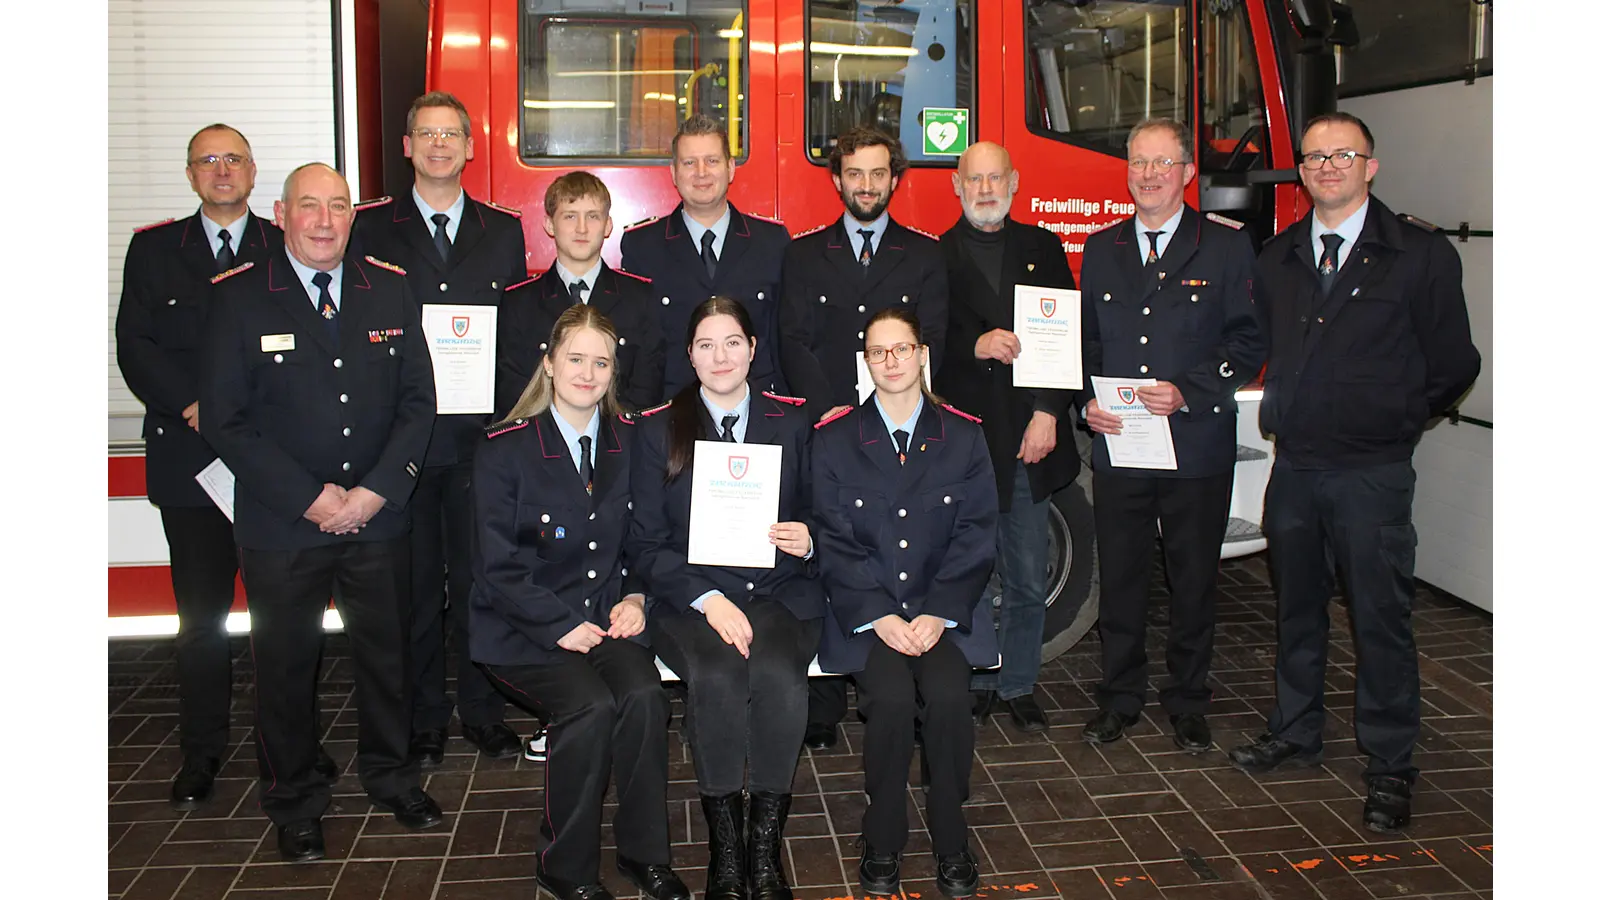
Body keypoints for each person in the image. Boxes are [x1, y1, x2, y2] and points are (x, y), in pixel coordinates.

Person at [1227, 113, 1480, 833]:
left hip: (1372, 471)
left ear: (1371, 166)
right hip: (1297, 468)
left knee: (1381, 622)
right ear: (1301, 172)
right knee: (1296, 611)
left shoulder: (1419, 256)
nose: (1327, 166)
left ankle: (1392, 764)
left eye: (1343, 154)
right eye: (1314, 157)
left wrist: (1397, 419)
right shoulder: (1276, 258)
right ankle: (1296, 729)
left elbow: (1455, 363)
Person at [201, 162, 442, 862]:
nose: (325, 221)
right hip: (283, 525)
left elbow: (417, 402)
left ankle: (392, 777)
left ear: (353, 215)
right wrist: (310, 498)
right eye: (310, 206)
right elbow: (225, 419)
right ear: (281, 213)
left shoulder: (390, 290)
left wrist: (374, 491)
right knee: (283, 666)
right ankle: (295, 799)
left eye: (338, 206)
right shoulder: (241, 298)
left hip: (377, 516)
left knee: (387, 658)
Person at [470, 304, 688, 900]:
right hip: (523, 630)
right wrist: (559, 624)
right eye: (575, 359)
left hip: (604, 619)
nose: (588, 373)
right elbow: (497, 568)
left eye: (601, 362)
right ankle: (564, 865)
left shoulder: (628, 442)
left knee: (644, 697)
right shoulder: (505, 448)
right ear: (548, 363)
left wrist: (639, 597)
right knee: (589, 708)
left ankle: (646, 855)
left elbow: (644, 539)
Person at [114, 123, 303, 810]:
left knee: (284, 622)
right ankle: (201, 754)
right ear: (191, 175)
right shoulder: (156, 248)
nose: (222, 171)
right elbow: (135, 347)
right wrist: (198, 406)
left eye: (233, 160)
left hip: (268, 468)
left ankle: (287, 752)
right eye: (208, 161)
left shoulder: (281, 247)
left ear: (254, 172)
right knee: (201, 621)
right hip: (190, 463)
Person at [352, 90, 529, 769]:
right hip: (407, 445)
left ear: (470, 146)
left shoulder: (502, 230)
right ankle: (426, 719)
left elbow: (511, 338)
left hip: (482, 445)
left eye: (450, 134)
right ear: (406, 146)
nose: (437, 146)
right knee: (418, 591)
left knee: (482, 584)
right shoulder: (371, 229)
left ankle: (483, 711)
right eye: (424, 134)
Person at [1078, 118, 1265, 753]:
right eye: (1138, 162)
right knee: (1122, 582)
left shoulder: (1227, 247)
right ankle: (1120, 697)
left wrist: (1191, 386)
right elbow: (1089, 344)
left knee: (1194, 582)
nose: (1149, 174)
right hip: (1122, 447)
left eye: (1163, 163)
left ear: (1188, 173)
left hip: (1195, 444)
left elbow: (1248, 340)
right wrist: (1086, 403)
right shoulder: (1100, 249)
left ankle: (1188, 699)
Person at [631, 297, 823, 900]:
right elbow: (644, 544)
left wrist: (809, 536)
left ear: (753, 349)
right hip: (691, 599)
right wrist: (708, 598)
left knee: (781, 678)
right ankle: (725, 854)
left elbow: (825, 508)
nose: (721, 356)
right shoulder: (657, 428)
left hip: (776, 592)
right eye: (707, 345)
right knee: (715, 677)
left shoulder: (793, 422)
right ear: (689, 354)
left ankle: (762, 852)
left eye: (733, 342)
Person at [812, 309, 997, 899]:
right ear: (866, 363)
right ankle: (882, 835)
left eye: (901, 349)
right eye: (877, 352)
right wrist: (882, 615)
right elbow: (833, 539)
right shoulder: (836, 438)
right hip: (868, 617)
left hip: (941, 614)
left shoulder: (964, 435)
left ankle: (952, 838)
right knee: (889, 701)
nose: (890, 361)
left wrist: (937, 613)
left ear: (923, 355)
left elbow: (976, 534)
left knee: (947, 698)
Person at [779, 125, 949, 749]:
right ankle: (823, 703)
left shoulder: (926, 255)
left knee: (894, 547)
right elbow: (792, 338)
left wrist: (887, 409)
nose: (867, 185)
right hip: (827, 428)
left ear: (896, 180)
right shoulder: (803, 254)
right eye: (855, 174)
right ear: (837, 180)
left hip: (901, 428)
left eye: (879, 174)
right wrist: (834, 411)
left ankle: (902, 677)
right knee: (830, 549)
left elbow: (934, 340)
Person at [937, 141, 1079, 733]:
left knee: (1025, 571)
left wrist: (1049, 413)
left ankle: (1018, 682)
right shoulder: (934, 255)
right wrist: (973, 345)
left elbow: (1065, 335)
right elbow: (925, 349)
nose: (986, 188)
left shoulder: (1043, 248)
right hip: (965, 445)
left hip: (1029, 437)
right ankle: (972, 678)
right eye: (975, 179)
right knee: (966, 572)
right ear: (957, 186)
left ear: (1015, 183)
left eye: (996, 178)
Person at [621, 115, 791, 396]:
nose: (701, 172)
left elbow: (784, 339)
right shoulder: (642, 246)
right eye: (689, 163)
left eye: (712, 161)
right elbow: (639, 347)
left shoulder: (773, 242)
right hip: (674, 413)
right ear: (674, 173)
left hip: (756, 415)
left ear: (730, 168)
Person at [497, 171, 665, 416]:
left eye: (593, 217)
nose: (582, 228)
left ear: (608, 226)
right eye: (570, 216)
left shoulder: (639, 298)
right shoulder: (518, 303)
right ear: (549, 225)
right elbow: (514, 391)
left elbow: (647, 390)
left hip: (618, 444)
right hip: (540, 447)